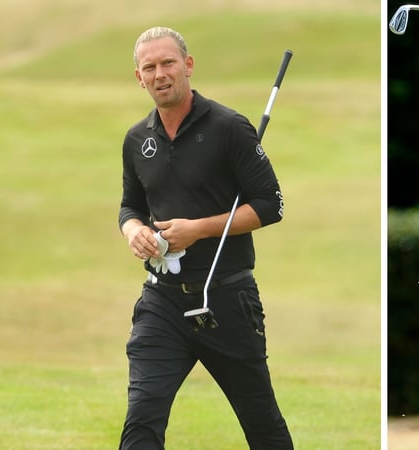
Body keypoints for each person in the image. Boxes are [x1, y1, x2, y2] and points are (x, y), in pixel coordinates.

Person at [118, 26, 293, 449]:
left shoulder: (229, 127)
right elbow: (130, 207)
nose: (160, 74)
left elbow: (271, 205)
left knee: (262, 424)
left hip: (227, 300)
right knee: (142, 418)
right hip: (161, 301)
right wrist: (135, 231)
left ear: (188, 66)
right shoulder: (137, 139)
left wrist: (198, 229)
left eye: (168, 63)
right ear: (139, 77)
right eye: (150, 67)